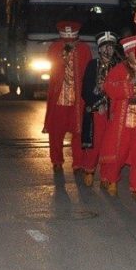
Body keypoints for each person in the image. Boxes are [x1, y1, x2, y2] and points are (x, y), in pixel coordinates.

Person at [99, 36, 136, 199]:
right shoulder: (119, 69)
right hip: (123, 120)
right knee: (119, 152)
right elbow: (109, 87)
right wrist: (129, 85)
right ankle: (111, 180)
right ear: (128, 54)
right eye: (135, 53)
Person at [43, 20, 93, 172]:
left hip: (78, 99)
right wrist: (64, 57)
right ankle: (56, 160)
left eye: (72, 38)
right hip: (59, 98)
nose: (70, 41)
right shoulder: (55, 47)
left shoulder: (84, 48)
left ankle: (78, 162)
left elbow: (88, 71)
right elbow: (51, 67)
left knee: (78, 131)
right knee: (56, 131)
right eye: (66, 38)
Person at [78, 31, 119, 186]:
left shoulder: (118, 66)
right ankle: (89, 170)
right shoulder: (92, 65)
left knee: (110, 146)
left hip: (114, 112)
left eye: (111, 46)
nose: (108, 50)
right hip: (97, 111)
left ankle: (106, 176)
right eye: (105, 47)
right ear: (100, 49)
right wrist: (98, 103)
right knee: (95, 144)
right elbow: (85, 90)